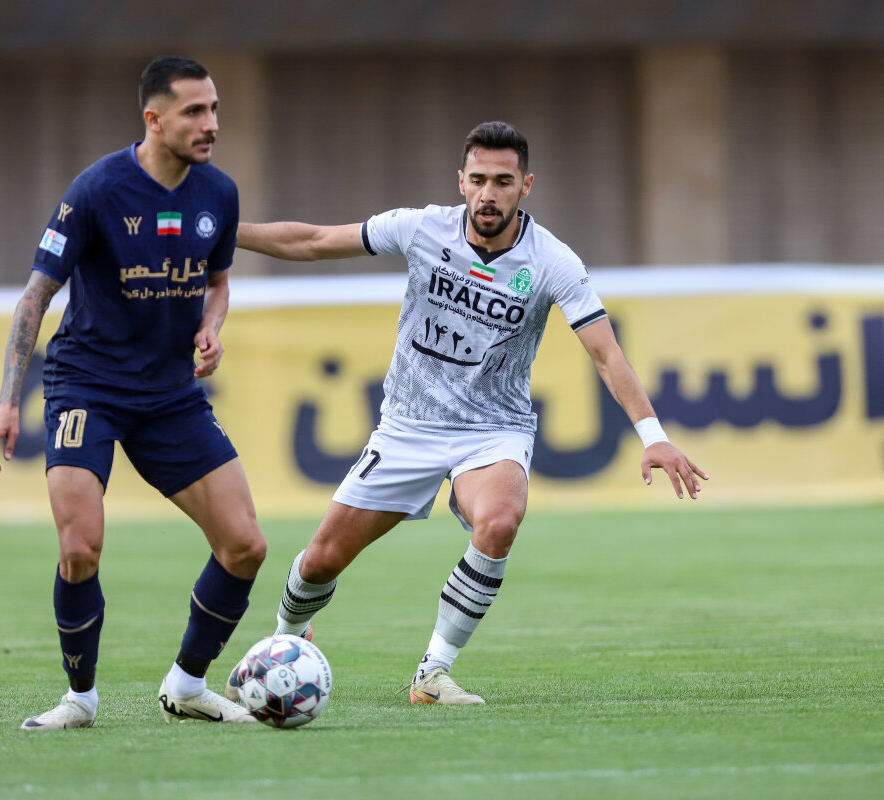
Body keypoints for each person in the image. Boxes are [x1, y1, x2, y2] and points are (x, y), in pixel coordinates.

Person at [231, 120, 708, 705]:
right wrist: (226, 232)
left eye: (503, 181)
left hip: (493, 430)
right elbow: (311, 241)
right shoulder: (421, 228)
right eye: (478, 179)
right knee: (321, 561)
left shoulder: (553, 261)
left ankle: (432, 673)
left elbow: (606, 353)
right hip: (408, 426)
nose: (488, 193)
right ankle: (283, 641)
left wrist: (653, 436)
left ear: (525, 186)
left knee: (500, 521)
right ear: (460, 181)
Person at [0, 55, 265, 728]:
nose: (211, 124)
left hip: (170, 395)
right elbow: (35, 295)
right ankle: (79, 698)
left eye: (215, 109)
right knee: (79, 547)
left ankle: (187, 685)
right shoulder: (97, 190)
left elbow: (218, 281)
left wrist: (211, 327)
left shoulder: (219, 194)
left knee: (245, 544)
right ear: (153, 119)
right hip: (87, 387)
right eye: (195, 111)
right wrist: (8, 401)